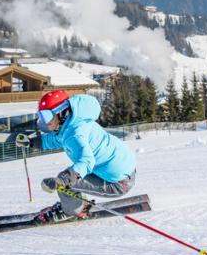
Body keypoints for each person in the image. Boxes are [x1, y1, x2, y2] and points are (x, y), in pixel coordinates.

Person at [16, 89, 136, 222]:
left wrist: (64, 179)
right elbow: (56, 139)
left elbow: (86, 161)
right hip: (123, 168)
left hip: (118, 183)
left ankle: (71, 211)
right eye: (41, 116)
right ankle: (75, 203)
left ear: (62, 112)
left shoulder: (75, 134)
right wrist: (31, 142)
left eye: (47, 116)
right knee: (71, 177)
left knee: (66, 182)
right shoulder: (75, 121)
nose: (44, 121)